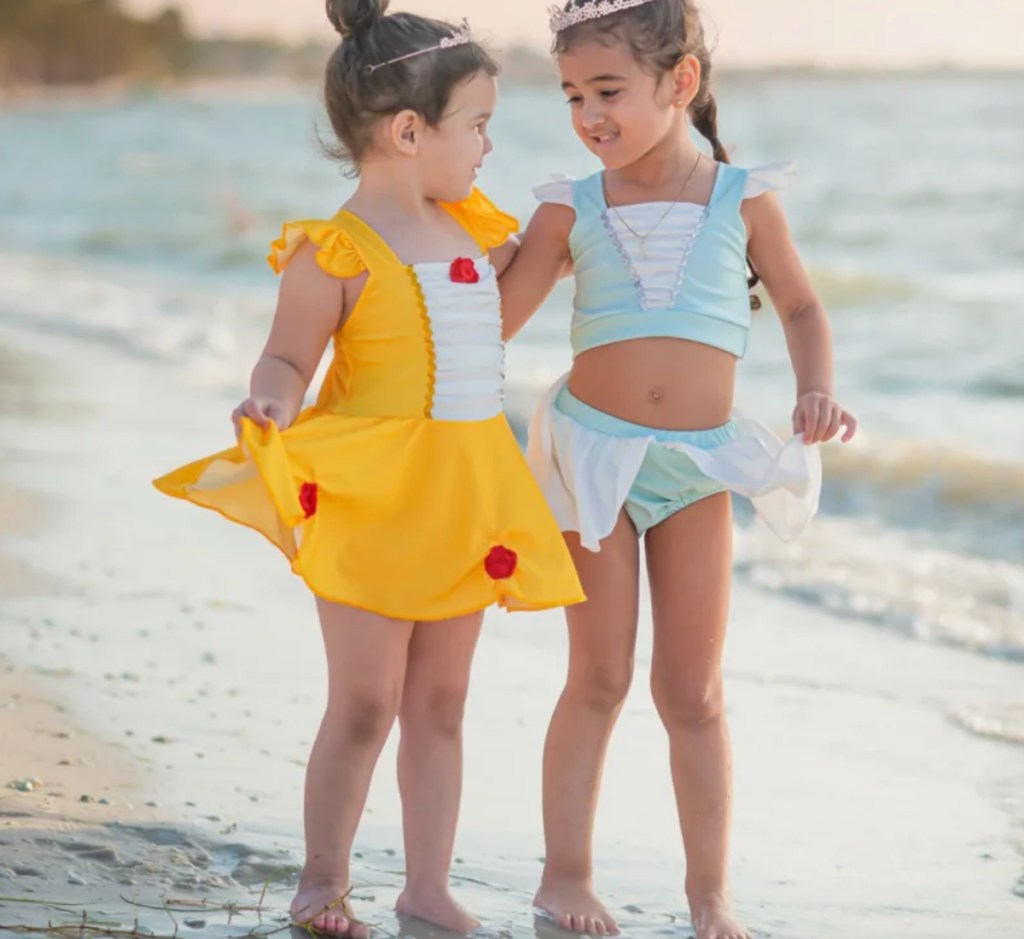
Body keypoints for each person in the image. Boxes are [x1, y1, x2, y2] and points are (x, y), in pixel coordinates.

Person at [154, 1, 584, 935]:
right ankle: (322, 881)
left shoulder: (471, 227)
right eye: (477, 127)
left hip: (466, 492)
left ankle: (426, 884)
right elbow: (285, 358)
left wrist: (570, 230)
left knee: (441, 700)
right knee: (364, 700)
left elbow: (495, 319)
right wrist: (269, 397)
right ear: (406, 131)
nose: (486, 148)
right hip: (374, 492)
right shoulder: (335, 252)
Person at [496, 2, 857, 936]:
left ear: (680, 82)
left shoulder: (743, 197)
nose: (588, 115)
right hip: (594, 460)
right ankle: (566, 874)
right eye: (574, 95)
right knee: (599, 678)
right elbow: (496, 319)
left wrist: (815, 390)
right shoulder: (566, 205)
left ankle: (710, 895)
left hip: (698, 466)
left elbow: (804, 308)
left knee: (692, 692)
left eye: (608, 91)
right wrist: (457, 258)